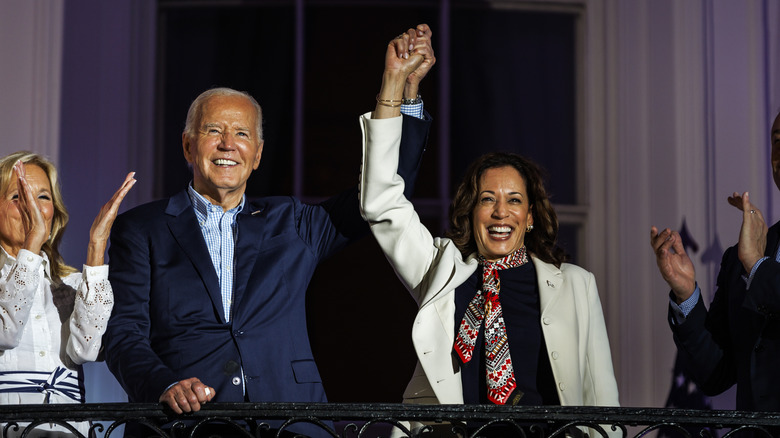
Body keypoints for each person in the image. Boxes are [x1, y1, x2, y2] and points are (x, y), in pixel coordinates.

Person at [103, 25, 435, 437]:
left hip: (291, 424)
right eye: (213, 132)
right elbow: (123, 334)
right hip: (188, 426)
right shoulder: (141, 229)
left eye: (241, 134)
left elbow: (385, 191)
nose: (228, 144)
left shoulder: (291, 221)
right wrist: (165, 385)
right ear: (188, 146)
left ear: (257, 155)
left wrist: (403, 93)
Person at [359, 53, 619, 437]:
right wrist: (393, 85)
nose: (501, 212)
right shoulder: (441, 269)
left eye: (514, 200)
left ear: (530, 216)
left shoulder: (576, 285)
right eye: (487, 199)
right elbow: (381, 202)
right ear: (471, 210)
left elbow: (603, 402)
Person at [651, 111, 780, 413]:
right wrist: (687, 296)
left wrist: (758, 267)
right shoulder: (742, 259)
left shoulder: (752, 259)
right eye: (777, 140)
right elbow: (715, 375)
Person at [0, 151, 135, 436]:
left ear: (55, 211)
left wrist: (97, 247)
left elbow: (86, 350)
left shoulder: (72, 284)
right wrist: (33, 243)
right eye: (17, 195)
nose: (31, 207)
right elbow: (6, 333)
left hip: (67, 429)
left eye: (43, 197)